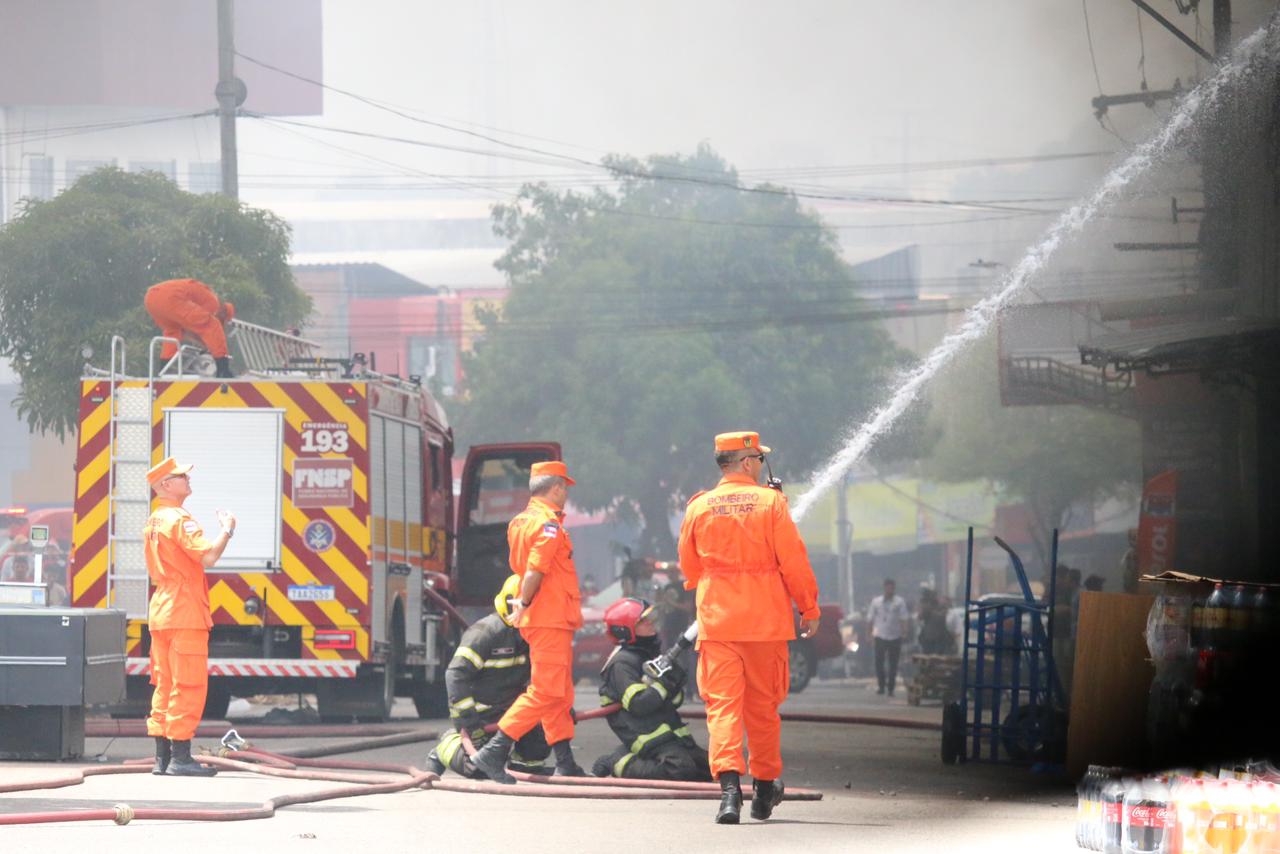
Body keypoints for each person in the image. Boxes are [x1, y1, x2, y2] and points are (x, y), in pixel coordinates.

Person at [677, 430, 820, 824]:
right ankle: (764, 788)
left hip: (718, 624)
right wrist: (808, 607)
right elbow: (793, 560)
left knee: (722, 709)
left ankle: (728, 794)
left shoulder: (699, 507)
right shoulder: (771, 503)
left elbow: (689, 568)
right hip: (765, 625)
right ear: (745, 462)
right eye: (758, 458)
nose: (760, 464)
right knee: (762, 710)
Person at [470, 460, 587, 783]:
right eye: (565, 489)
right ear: (557, 488)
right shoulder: (549, 524)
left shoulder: (519, 521)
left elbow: (521, 566)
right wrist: (522, 602)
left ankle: (565, 761)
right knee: (545, 691)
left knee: (559, 692)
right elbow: (536, 569)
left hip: (545, 617)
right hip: (549, 616)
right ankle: (494, 751)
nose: (565, 495)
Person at [143, 457, 236, 777]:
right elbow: (208, 556)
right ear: (166, 485)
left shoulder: (155, 519)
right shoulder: (178, 520)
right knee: (188, 684)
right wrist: (227, 530)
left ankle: (162, 758)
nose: (187, 480)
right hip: (184, 611)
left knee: (164, 683)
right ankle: (181, 758)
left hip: (162, 610)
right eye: (181, 476)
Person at [424, 575, 550, 778]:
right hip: (480, 716)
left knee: (539, 746)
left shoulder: (532, 636)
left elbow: (546, 678)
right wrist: (470, 723)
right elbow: (455, 676)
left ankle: (522, 765)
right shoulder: (485, 634)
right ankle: (445, 747)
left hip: (512, 713)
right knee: (477, 768)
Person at [591, 597, 712, 782]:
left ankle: (628, 757)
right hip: (646, 735)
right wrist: (664, 683)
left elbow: (674, 701)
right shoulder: (621, 664)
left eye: (649, 618)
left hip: (670, 733)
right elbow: (639, 704)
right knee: (680, 770)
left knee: (710, 768)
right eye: (642, 621)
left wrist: (674, 680)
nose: (650, 623)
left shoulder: (647, 655)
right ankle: (618, 761)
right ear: (625, 629)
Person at [144, 278, 236, 378]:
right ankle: (223, 369)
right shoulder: (213, 303)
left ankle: (164, 370)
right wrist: (210, 347)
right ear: (223, 314)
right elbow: (204, 328)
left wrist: (205, 345)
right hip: (172, 298)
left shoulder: (202, 295)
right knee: (213, 325)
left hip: (151, 298)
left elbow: (188, 330)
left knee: (173, 332)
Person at [867, 578, 909, 696]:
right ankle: (881, 686)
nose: (890, 589)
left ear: (894, 588)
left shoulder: (899, 602)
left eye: (892, 587)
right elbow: (870, 619)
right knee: (879, 662)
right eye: (888, 587)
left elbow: (904, 618)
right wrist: (869, 634)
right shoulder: (876, 602)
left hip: (895, 636)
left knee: (893, 664)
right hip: (880, 635)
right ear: (884, 588)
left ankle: (891, 688)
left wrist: (905, 631)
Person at [917, 587, 953, 655]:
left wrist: (929, 608)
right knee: (929, 658)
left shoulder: (940, 606)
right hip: (928, 638)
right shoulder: (927, 606)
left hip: (939, 638)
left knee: (937, 658)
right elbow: (920, 617)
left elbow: (942, 616)